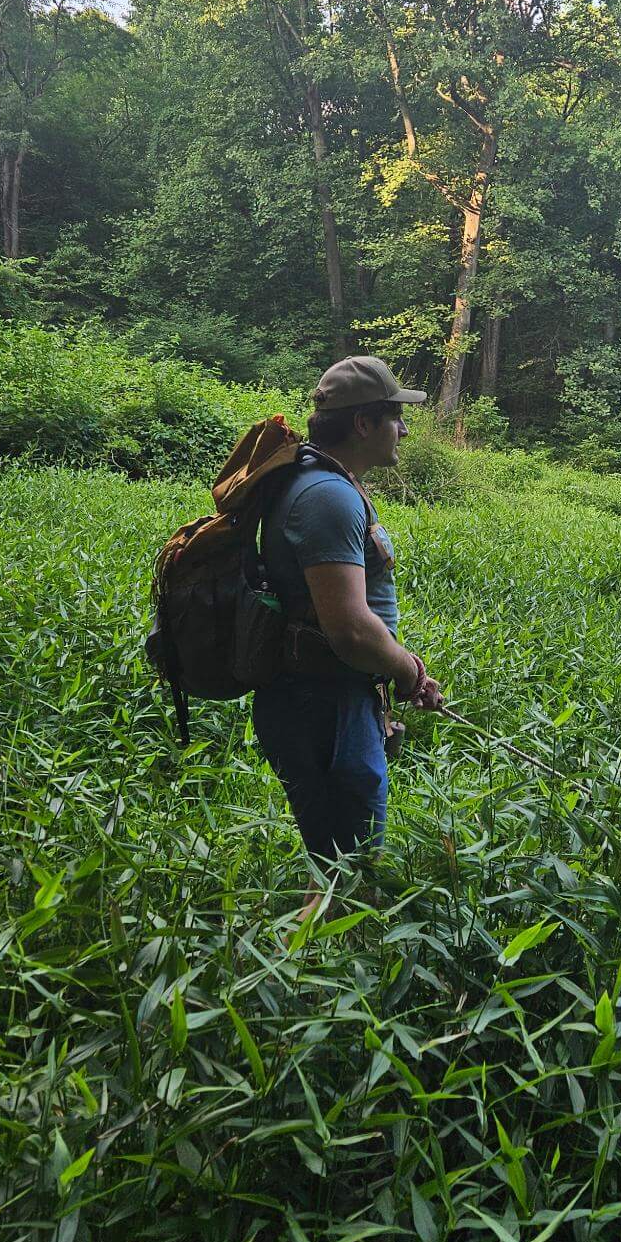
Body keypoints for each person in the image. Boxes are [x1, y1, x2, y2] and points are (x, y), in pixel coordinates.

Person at [254, 355, 444, 867]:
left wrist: (399, 670)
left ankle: (318, 916)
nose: (404, 430)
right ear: (362, 423)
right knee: (352, 867)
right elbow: (351, 630)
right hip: (325, 704)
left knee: (333, 857)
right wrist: (406, 671)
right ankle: (324, 921)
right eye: (395, 417)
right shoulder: (328, 497)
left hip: (327, 697)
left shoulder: (322, 481)